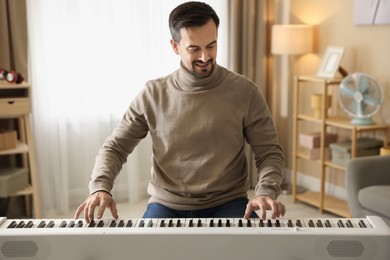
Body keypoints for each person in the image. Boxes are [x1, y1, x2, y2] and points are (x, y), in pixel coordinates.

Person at [75, 1, 286, 223]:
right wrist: (100, 187)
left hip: (228, 202)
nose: (205, 57)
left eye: (211, 46)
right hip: (167, 204)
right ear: (175, 46)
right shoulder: (153, 94)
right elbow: (115, 148)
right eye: (194, 49)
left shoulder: (245, 92)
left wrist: (265, 191)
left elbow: (269, 152)